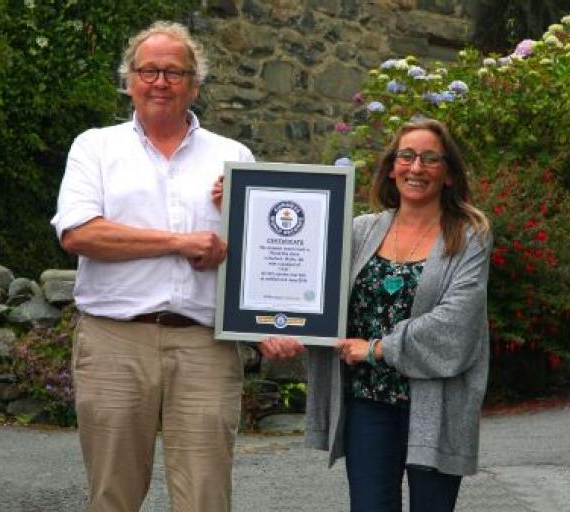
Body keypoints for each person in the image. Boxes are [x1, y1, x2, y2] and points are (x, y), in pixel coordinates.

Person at [51, 21, 254, 512]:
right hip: (114, 339)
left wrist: (246, 207)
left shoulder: (233, 158)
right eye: (148, 70)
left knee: (206, 498)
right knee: (112, 495)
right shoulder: (95, 147)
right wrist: (180, 242)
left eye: (173, 72)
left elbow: (261, 254)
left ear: (195, 84)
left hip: (205, 343)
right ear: (129, 80)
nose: (159, 82)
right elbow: (79, 234)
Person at [259, 119, 492, 512]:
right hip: (368, 402)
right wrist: (280, 327)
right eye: (407, 156)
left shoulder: (470, 235)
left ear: (449, 173)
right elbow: (304, 280)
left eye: (430, 159)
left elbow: (458, 323)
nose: (416, 168)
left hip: (437, 404)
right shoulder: (359, 231)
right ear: (391, 167)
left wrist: (379, 349)